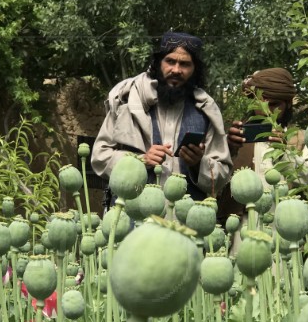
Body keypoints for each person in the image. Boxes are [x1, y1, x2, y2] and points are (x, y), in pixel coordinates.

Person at [91, 31, 233, 204]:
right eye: (170, 61)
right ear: (158, 63)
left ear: (195, 69)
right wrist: (140, 160)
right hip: (132, 218)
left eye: (185, 64)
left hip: (183, 223)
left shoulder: (206, 111)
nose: (176, 70)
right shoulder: (128, 102)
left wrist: (198, 164)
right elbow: (99, 157)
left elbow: (221, 175)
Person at [217, 68, 308, 219]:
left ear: (288, 104)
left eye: (273, 104)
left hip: (287, 223)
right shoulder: (237, 138)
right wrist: (229, 149)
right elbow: (212, 182)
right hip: (242, 226)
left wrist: (284, 153)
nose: (265, 110)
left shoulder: (302, 139)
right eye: (259, 103)